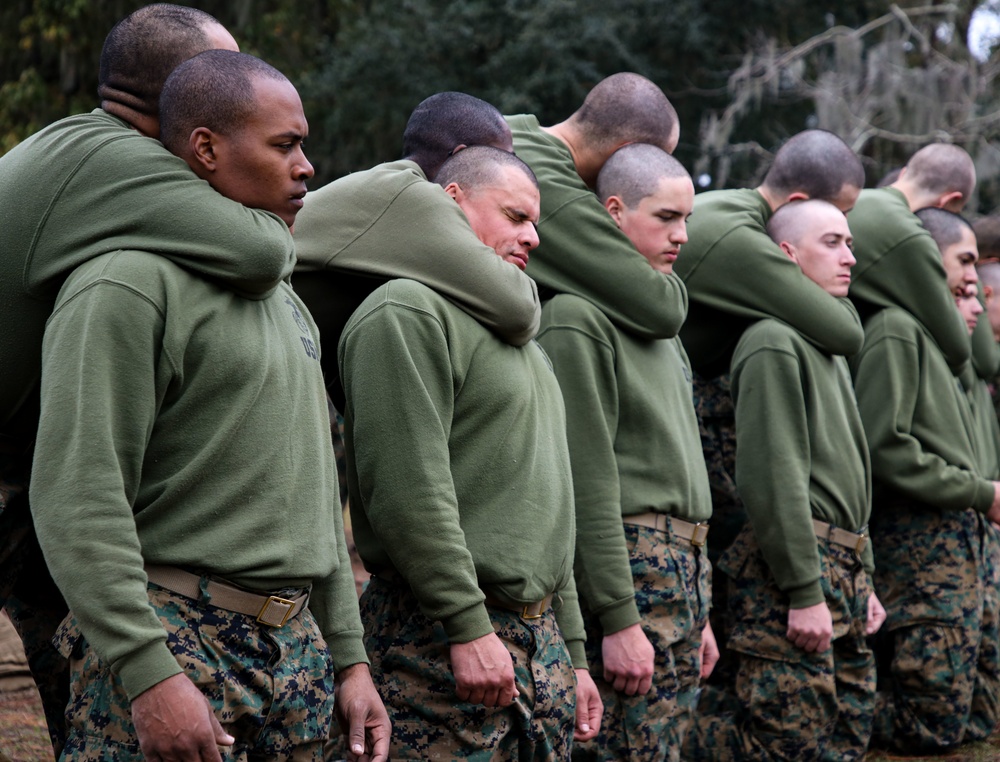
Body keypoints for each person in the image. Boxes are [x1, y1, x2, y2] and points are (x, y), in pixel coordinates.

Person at [30, 50, 388, 762]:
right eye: (284, 145)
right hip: (175, 641)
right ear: (206, 148)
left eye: (304, 144)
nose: (306, 165)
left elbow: (319, 498)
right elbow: (79, 497)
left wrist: (348, 659)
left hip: (296, 655)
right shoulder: (126, 283)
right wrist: (148, 673)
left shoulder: (286, 299)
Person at [0, 5, 295, 754]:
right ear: (180, 98)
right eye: (220, 75)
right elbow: (262, 253)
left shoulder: (71, 145)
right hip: (17, 491)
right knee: (99, 707)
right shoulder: (109, 163)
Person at [339, 145, 602, 760]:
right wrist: (467, 625)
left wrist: (575, 652)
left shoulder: (526, 346)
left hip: (539, 652)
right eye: (514, 216)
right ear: (451, 202)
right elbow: (407, 491)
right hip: (438, 646)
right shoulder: (406, 311)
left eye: (536, 221)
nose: (533, 236)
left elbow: (549, 513)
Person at [670, 130, 867, 696]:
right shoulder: (733, 233)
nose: (849, 255)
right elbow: (841, 328)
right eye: (836, 225)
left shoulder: (741, 217)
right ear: (800, 206)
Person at [687, 199, 885, 761]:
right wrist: (804, 591)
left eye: (850, 243)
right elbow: (771, 478)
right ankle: (652, 738)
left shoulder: (826, 344)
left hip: (841, 566)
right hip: (796, 571)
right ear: (786, 254)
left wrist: (862, 578)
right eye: (832, 243)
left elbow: (847, 487)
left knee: (845, 734)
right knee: (783, 743)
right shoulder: (774, 339)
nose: (849, 257)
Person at [535, 143, 714, 761]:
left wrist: (701, 609)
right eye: (666, 218)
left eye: (687, 220)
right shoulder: (578, 319)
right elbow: (586, 482)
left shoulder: (663, 326)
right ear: (614, 212)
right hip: (632, 568)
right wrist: (618, 618)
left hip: (683, 570)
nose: (682, 236)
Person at [849, 156, 1000, 752]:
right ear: (925, 259)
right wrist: (976, 491)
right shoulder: (896, 329)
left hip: (962, 540)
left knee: (977, 713)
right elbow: (886, 445)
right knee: (929, 718)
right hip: (919, 543)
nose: (973, 280)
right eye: (963, 261)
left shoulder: (939, 339)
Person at [292, 91, 540, 409]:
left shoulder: (385, 187)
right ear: (459, 156)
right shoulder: (409, 196)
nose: (508, 167)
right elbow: (518, 309)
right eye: (499, 158)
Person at [505, 73, 688, 345]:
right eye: (654, 159)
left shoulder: (511, 130)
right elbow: (661, 307)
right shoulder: (545, 185)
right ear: (625, 153)